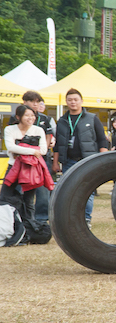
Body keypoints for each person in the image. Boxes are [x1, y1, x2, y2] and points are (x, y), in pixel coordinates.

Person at [55, 88, 111, 223]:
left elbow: (102, 139)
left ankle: (86, 219)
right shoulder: (62, 120)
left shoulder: (92, 118)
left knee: (88, 190)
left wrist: (103, 157)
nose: (73, 102)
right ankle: (74, 219)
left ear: (81, 101)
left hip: (88, 160)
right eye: (70, 100)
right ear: (66, 102)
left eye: (75, 99)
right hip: (68, 161)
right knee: (70, 191)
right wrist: (55, 162)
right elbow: (57, 143)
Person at [3, 103, 54, 231]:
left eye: (33, 115)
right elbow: (10, 147)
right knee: (5, 196)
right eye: (27, 115)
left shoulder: (38, 130)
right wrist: (32, 151)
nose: (30, 118)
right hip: (13, 168)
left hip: (30, 169)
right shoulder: (10, 129)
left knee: (29, 199)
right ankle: (9, 224)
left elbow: (42, 150)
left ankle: (29, 228)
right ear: (18, 116)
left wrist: (20, 150)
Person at [17, 91, 55, 227]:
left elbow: (49, 136)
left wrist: (40, 151)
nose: (35, 104)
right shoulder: (16, 119)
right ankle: (20, 219)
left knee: (43, 191)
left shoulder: (45, 119)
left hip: (41, 159)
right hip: (21, 161)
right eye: (32, 101)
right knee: (20, 190)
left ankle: (41, 221)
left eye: (37, 101)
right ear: (24, 102)